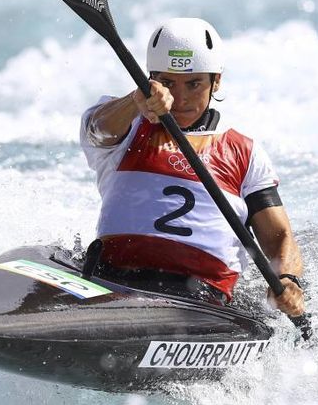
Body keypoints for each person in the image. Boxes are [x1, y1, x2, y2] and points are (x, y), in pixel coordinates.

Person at [79, 18, 305, 318]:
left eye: (194, 83)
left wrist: (288, 280)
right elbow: (97, 130)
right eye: (168, 83)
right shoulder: (125, 125)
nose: (181, 97)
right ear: (151, 80)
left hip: (200, 303)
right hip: (113, 282)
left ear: (217, 81)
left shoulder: (245, 153)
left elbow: (279, 238)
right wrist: (136, 102)